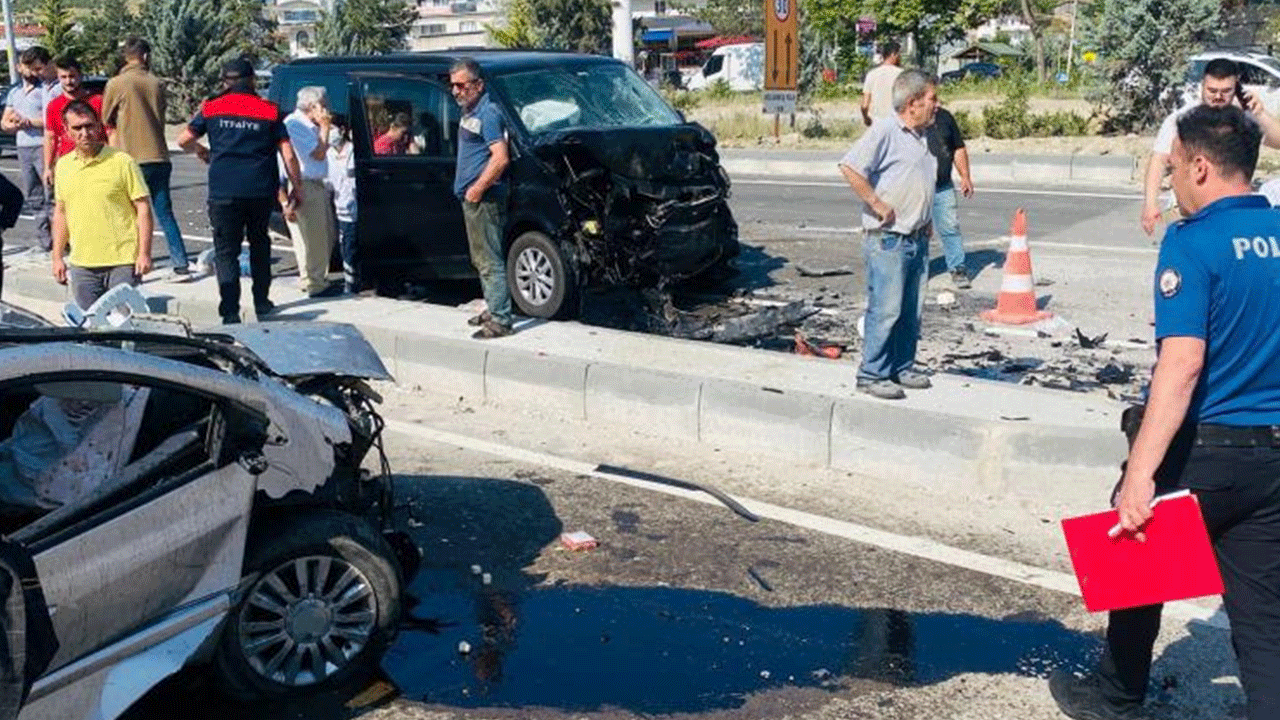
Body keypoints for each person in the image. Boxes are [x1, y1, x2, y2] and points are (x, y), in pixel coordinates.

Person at [1050, 104, 1280, 720]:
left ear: (1201, 167)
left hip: (1206, 448)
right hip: (1273, 457)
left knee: (1136, 556)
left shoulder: (1192, 242)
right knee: (1263, 622)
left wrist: (1139, 475)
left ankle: (1116, 697)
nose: (1171, 181)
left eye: (1174, 168)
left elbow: (1181, 368)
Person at [176, 58, 303, 324]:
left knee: (226, 251)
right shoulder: (269, 110)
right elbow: (289, 155)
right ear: (253, 80)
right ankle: (262, 303)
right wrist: (296, 188)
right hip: (260, 190)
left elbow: (183, 139)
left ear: (225, 82)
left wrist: (202, 151)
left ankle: (230, 310)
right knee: (260, 245)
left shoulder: (212, 109)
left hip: (224, 191)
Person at [838, 69, 938, 401]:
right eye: (932, 100)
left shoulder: (922, 136)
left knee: (911, 311)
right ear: (913, 103)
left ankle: (901, 366)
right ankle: (872, 373)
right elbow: (851, 167)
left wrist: (926, 218)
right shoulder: (885, 130)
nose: (936, 106)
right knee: (887, 309)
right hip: (889, 239)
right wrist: (877, 203)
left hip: (916, 238)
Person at [1141, 58, 1280, 236]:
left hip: (1231, 210)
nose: (1218, 96)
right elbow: (1159, 160)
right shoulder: (1183, 120)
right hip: (1188, 208)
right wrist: (1150, 204)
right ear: (1202, 86)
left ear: (1237, 88)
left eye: (1226, 91)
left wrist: (1260, 115)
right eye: (1212, 90)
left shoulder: (1242, 121)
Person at [50, 101, 152, 311]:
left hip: (122, 261)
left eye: (89, 126)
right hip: (82, 265)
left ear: (98, 126)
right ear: (67, 131)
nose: (85, 133)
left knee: (123, 326)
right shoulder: (63, 166)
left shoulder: (122, 162)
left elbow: (143, 209)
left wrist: (144, 253)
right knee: (92, 330)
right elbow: (61, 213)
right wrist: (57, 257)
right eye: (77, 128)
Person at [103, 37, 190, 278]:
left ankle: (134, 264)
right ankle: (180, 263)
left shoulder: (117, 83)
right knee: (164, 212)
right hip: (159, 155)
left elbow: (105, 117)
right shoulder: (157, 83)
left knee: (131, 214)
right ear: (145, 56)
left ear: (126, 57)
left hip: (130, 157)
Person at [450, 57, 513, 340]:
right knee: (481, 257)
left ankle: (500, 319)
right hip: (474, 198)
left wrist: (477, 188)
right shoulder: (470, 112)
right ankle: (493, 306)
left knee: (489, 259)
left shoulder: (488, 114)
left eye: (461, 85)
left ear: (478, 85)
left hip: (484, 199)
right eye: (453, 86)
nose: (456, 91)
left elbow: (500, 158)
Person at [283, 86, 339, 298]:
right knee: (314, 237)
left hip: (316, 184)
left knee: (323, 235)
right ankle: (316, 282)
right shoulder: (296, 124)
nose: (326, 110)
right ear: (312, 106)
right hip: (304, 183)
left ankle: (313, 278)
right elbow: (317, 153)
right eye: (323, 105)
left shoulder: (310, 125)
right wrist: (324, 126)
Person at [1, 46, 56, 252]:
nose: (32, 72)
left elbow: (50, 120)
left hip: (42, 145)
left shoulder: (44, 91)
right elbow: (5, 121)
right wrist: (11, 125)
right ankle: (44, 240)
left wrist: (28, 122)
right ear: (20, 67)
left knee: (51, 194)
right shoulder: (15, 92)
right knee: (34, 195)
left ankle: (59, 238)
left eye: (35, 68)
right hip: (23, 147)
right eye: (28, 67)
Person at [926, 105, 975, 289]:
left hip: (943, 185)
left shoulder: (945, 117)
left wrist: (965, 176)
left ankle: (958, 268)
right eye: (931, 97)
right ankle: (918, 271)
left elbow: (958, 148)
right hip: (916, 189)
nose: (936, 103)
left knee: (950, 227)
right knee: (918, 232)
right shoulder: (910, 118)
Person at [43, 56, 103, 191]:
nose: (68, 81)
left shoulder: (97, 102)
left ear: (80, 76)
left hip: (96, 161)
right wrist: (48, 167)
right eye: (63, 77)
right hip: (68, 163)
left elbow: (110, 132)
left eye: (72, 76)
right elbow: (50, 138)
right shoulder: (54, 106)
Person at [326, 114, 359, 294]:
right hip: (340, 209)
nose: (330, 133)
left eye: (332, 129)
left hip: (357, 209)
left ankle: (356, 282)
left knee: (354, 246)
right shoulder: (328, 154)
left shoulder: (354, 151)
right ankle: (350, 282)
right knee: (346, 246)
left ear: (343, 130)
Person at [860, 41, 903, 127]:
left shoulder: (872, 74)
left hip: (876, 123)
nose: (900, 57)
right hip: (896, 124)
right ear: (893, 54)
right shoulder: (902, 75)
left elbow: (864, 105)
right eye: (899, 54)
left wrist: (866, 119)